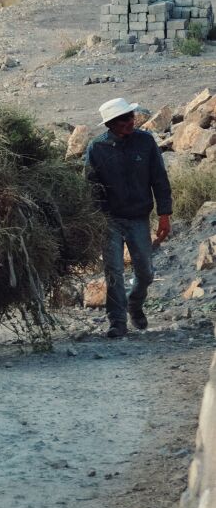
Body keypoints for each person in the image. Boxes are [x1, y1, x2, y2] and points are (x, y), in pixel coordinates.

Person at [83, 97, 172, 338]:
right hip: (109, 220)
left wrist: (165, 214)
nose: (130, 121)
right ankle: (117, 322)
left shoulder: (145, 142)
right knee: (113, 272)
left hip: (138, 218)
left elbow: (159, 179)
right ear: (111, 123)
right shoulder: (96, 148)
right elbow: (88, 187)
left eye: (131, 116)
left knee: (145, 272)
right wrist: (93, 222)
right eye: (124, 119)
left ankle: (135, 303)